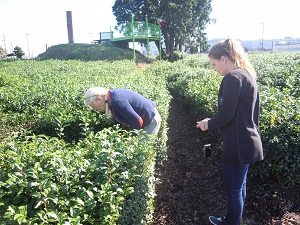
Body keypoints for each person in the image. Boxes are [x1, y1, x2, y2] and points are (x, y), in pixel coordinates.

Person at [196, 38, 264, 225]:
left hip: (237, 145)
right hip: (247, 142)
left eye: (214, 64)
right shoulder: (248, 74)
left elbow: (226, 115)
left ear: (224, 59)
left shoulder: (232, 78)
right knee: (239, 186)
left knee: (233, 190)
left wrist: (207, 123)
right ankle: (232, 219)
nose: (214, 68)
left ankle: (231, 222)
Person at [84, 87, 162, 136]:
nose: (95, 109)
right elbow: (118, 122)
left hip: (151, 121)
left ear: (99, 99)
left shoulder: (117, 101)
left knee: (138, 150)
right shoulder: (111, 100)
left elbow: (138, 121)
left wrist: (130, 138)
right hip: (146, 119)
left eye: (94, 106)